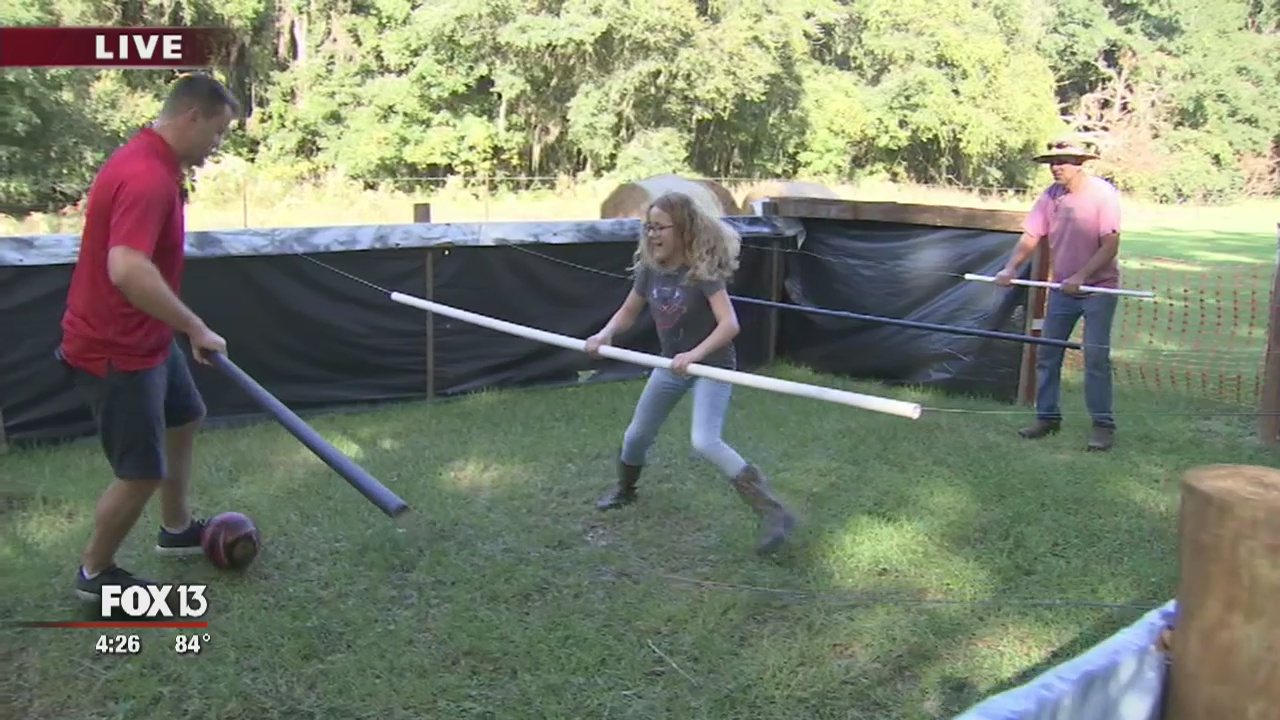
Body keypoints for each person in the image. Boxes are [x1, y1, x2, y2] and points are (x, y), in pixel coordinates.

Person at [59, 72, 239, 602]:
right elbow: (126, 268)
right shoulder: (146, 176)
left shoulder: (155, 160)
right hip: (115, 349)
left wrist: (176, 328)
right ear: (193, 118)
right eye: (219, 132)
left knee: (184, 416)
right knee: (140, 472)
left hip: (147, 337)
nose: (218, 144)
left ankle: (177, 529)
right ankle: (95, 574)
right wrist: (195, 326)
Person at [584, 191, 798, 554]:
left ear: (682, 229)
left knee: (705, 441)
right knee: (636, 435)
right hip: (671, 365)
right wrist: (604, 334)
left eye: (660, 228)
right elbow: (628, 312)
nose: (652, 235)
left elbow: (729, 325)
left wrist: (695, 354)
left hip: (712, 365)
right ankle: (626, 490)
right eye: (648, 227)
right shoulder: (650, 270)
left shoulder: (703, 273)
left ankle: (773, 512)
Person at [995, 139, 1122, 451]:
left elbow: (1111, 244)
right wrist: (1010, 268)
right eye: (1052, 162)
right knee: (1048, 354)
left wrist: (1082, 276)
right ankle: (1047, 417)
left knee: (1095, 358)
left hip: (1098, 290)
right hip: (1063, 291)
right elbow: (1032, 234)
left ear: (1080, 163)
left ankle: (1103, 426)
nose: (1055, 167)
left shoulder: (1102, 194)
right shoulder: (1051, 196)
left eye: (1062, 162)